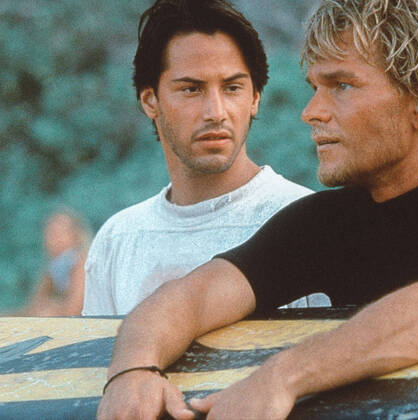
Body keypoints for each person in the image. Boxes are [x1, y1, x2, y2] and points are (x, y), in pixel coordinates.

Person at [97, 0, 418, 419]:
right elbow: (191, 298)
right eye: (314, 86)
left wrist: (283, 376)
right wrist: (133, 370)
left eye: (342, 85)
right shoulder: (326, 224)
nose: (312, 111)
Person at [82, 0, 330, 316]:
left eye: (232, 88)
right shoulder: (118, 241)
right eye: (191, 89)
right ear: (150, 101)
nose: (216, 112)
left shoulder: (307, 226)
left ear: (255, 98)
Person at [12, 209, 91, 316]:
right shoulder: (55, 267)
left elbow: (73, 310)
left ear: (77, 235)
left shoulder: (82, 261)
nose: (55, 238)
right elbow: (33, 307)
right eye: (51, 232)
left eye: (61, 232)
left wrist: (52, 309)